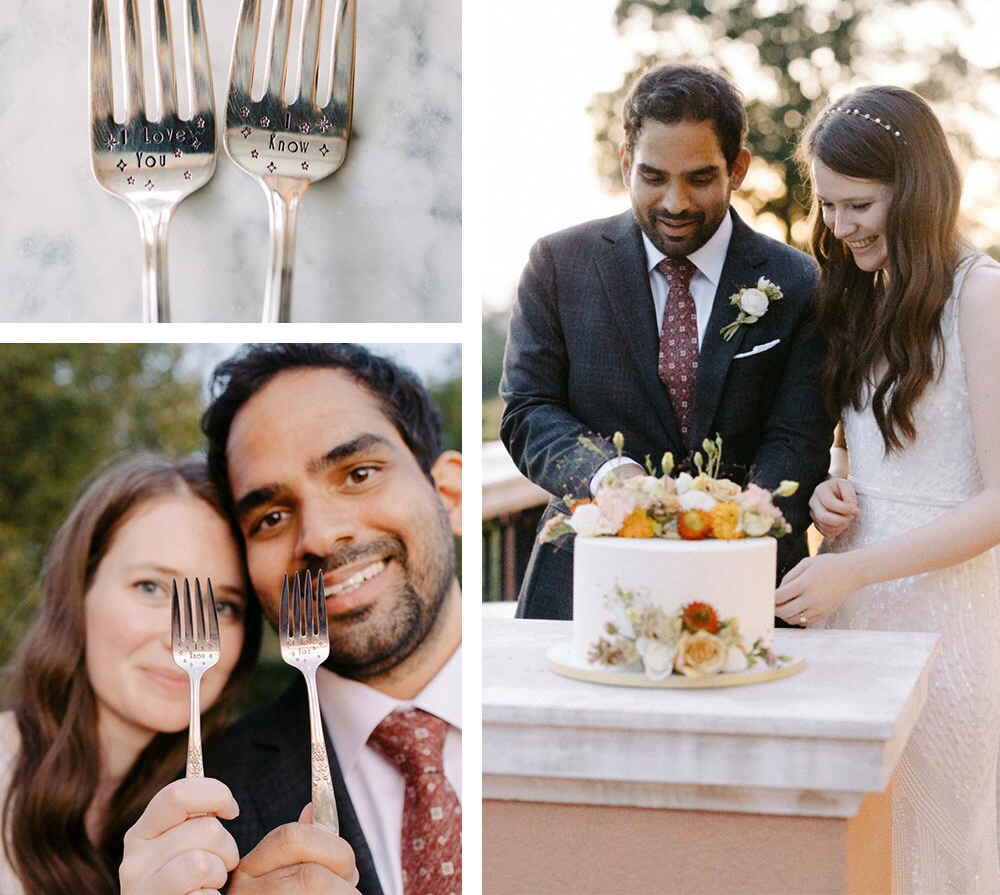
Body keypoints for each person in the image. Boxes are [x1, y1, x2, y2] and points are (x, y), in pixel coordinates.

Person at [123, 344, 462, 895]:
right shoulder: (201, 819)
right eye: (272, 516)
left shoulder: (560, 696)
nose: (321, 536)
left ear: (450, 494)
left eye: (359, 473)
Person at [501, 62, 834, 619]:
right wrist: (611, 477)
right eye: (653, 176)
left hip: (750, 584)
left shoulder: (800, 283)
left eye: (699, 178)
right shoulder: (558, 265)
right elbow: (528, 410)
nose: (675, 203)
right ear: (627, 164)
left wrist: (745, 519)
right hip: (585, 582)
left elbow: (798, 433)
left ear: (739, 169)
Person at [775, 85, 1000, 893]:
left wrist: (859, 568)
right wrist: (833, 492)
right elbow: (861, 455)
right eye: (828, 206)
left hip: (950, 621)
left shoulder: (982, 293)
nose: (840, 227)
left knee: (938, 852)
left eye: (859, 204)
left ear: (917, 188)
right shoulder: (861, 298)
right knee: (858, 860)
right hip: (853, 608)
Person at [0, 455, 262, 895]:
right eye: (152, 587)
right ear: (78, 590)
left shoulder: (239, 801)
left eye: (221, 607)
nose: (182, 638)